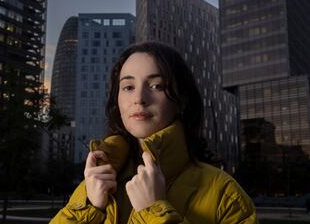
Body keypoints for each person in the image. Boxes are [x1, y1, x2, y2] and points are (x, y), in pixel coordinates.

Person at [50, 42, 258, 223]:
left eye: (157, 85)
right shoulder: (94, 183)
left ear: (182, 101)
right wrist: (89, 208)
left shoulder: (225, 194)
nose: (139, 98)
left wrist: (155, 212)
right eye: (128, 87)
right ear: (117, 100)